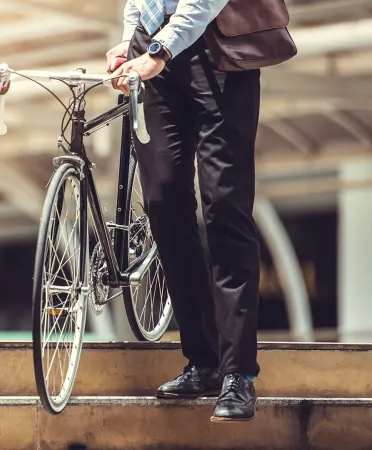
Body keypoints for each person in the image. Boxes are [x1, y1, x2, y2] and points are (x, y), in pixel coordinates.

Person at [106, 0, 261, 422]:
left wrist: (158, 52)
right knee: (164, 202)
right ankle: (204, 360)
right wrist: (129, 41)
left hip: (219, 48)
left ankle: (238, 374)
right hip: (155, 49)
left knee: (225, 209)